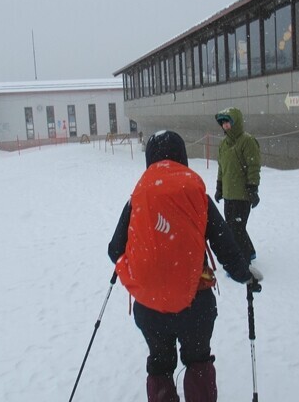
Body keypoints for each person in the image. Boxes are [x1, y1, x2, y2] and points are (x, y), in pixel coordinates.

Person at [108, 130, 261, 402]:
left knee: (160, 363)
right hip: (195, 302)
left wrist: (131, 267)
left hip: (150, 305)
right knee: (198, 359)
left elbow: (114, 250)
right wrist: (244, 275)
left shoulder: (138, 196)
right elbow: (223, 242)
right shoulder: (195, 191)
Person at [214, 107, 261, 263]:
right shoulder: (223, 144)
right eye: (223, 123)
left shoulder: (247, 141)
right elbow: (222, 168)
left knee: (237, 230)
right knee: (232, 227)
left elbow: (253, 166)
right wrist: (219, 187)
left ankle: (243, 261)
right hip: (229, 194)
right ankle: (250, 251)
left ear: (236, 122)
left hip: (242, 195)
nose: (225, 126)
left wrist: (253, 188)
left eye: (228, 122)